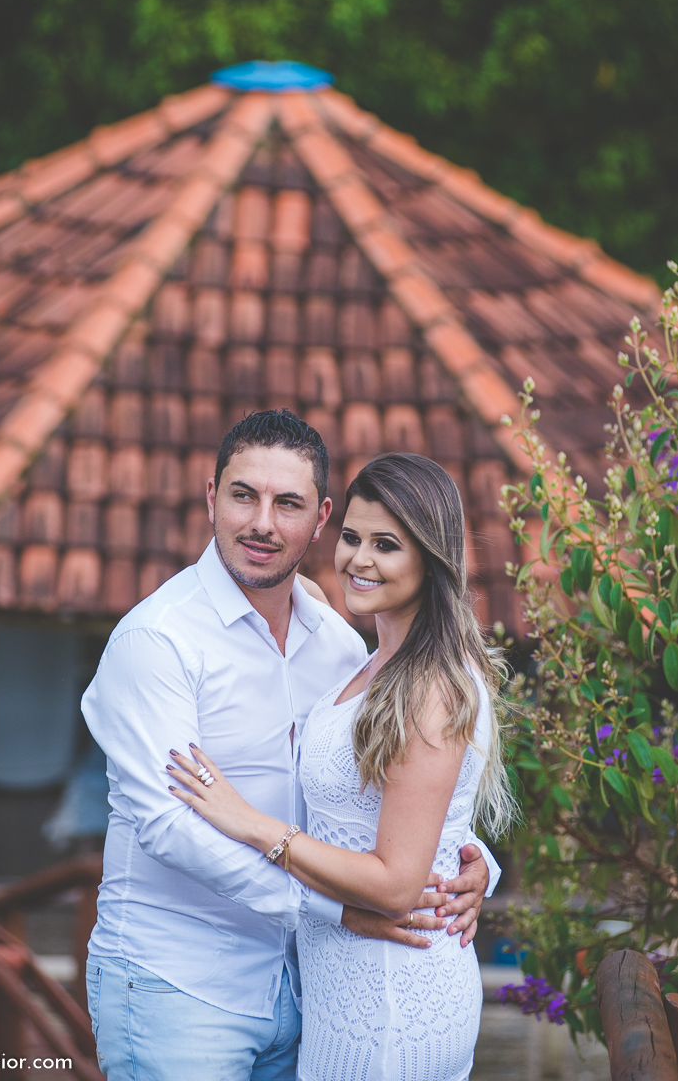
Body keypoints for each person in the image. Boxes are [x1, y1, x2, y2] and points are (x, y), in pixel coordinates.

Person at [81, 410, 501, 1081]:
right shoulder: (156, 642)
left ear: (318, 516)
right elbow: (166, 826)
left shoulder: (336, 642)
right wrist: (339, 909)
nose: (261, 523)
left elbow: (387, 787)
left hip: (308, 989)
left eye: (288, 504)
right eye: (243, 495)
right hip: (182, 987)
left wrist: (468, 867)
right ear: (210, 495)